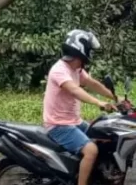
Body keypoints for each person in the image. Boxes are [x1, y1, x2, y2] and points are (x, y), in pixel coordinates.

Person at [44, 30, 117, 185]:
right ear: (82, 50)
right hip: (59, 125)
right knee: (91, 150)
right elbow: (75, 90)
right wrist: (99, 103)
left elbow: (93, 84)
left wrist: (115, 98)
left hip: (74, 121)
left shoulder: (76, 69)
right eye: (90, 49)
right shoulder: (60, 70)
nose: (91, 53)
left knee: (104, 136)